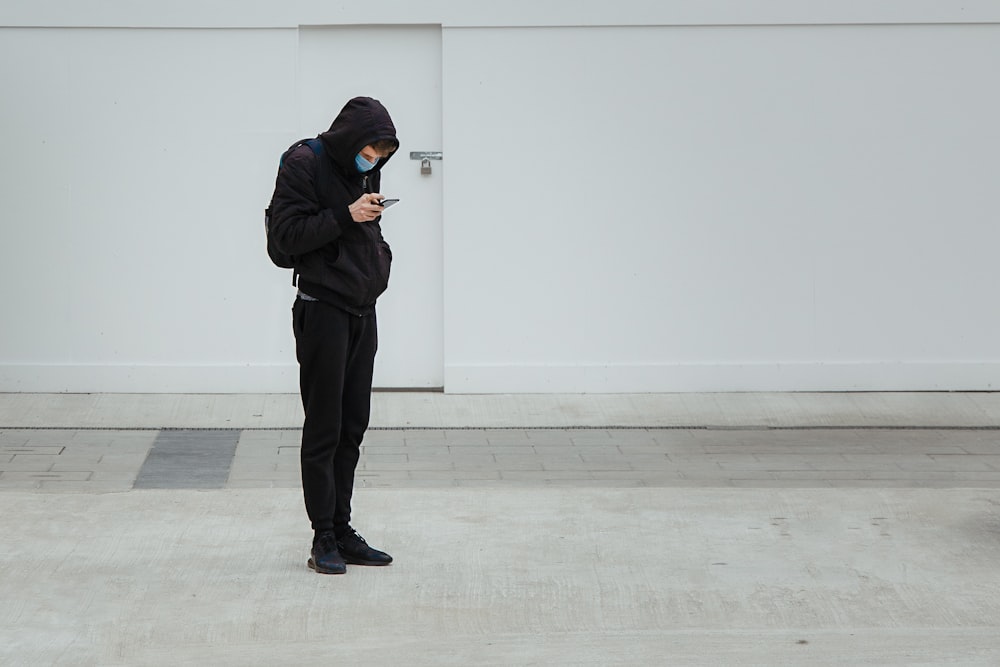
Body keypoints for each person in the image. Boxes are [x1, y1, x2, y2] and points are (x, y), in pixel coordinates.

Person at [268, 97, 399, 575]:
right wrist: (347, 215)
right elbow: (286, 238)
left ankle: (343, 529)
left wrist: (378, 252)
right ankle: (322, 535)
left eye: (383, 154)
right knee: (324, 427)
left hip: (363, 311)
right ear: (349, 139)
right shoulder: (303, 162)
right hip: (322, 311)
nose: (375, 160)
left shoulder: (365, 167)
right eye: (370, 150)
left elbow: (364, 229)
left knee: (352, 426)